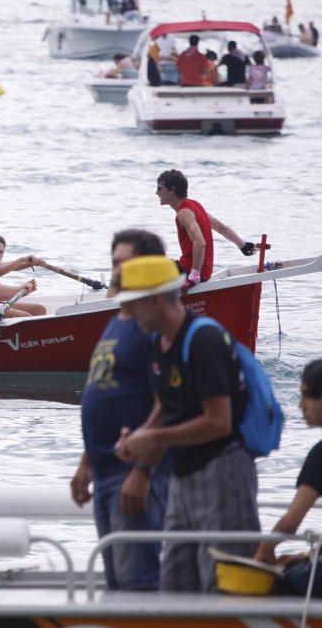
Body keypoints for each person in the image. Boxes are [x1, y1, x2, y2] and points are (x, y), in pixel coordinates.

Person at [114, 254, 259, 594]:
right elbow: (167, 404)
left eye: (131, 305)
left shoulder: (204, 341)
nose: (126, 314)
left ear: (155, 301)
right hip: (183, 473)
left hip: (223, 471)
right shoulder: (157, 341)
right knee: (176, 588)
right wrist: (143, 450)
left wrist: (151, 438)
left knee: (224, 590)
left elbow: (218, 423)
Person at [71, 229, 171, 591]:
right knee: (115, 584)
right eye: (114, 263)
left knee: (137, 586)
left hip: (137, 474)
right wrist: (86, 464)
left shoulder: (152, 328)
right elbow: (105, 394)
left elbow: (166, 402)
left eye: (126, 264)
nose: (117, 271)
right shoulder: (117, 320)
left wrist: (143, 471)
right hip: (104, 471)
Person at [254, 360, 322, 593]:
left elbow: (292, 521)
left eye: (307, 396)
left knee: (273, 584)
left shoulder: (320, 455)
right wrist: (309, 555)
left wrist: (264, 552)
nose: (301, 405)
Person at [155, 169, 257, 286]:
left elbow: (200, 243)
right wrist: (242, 245)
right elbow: (221, 227)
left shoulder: (184, 213)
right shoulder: (195, 205)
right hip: (204, 272)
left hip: (189, 271)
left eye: (159, 189)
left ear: (172, 190)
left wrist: (194, 276)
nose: (156, 193)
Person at [0, 234, 46, 317]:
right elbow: (0, 293)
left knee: (39, 309)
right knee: (27, 317)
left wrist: (30, 263)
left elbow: (6, 266)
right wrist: (22, 289)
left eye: (0, 252)